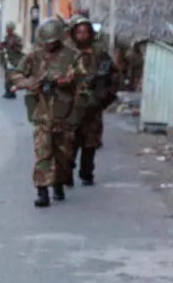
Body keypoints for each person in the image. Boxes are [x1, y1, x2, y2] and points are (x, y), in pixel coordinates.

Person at [12, 17, 85, 207]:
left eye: (52, 42)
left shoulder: (72, 55)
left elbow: (82, 76)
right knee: (42, 152)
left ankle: (58, 184)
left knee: (63, 154)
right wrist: (30, 83)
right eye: (46, 43)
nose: (49, 46)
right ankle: (42, 191)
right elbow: (17, 75)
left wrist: (66, 80)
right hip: (42, 113)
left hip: (65, 112)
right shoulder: (34, 56)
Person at [66, 14, 120, 186]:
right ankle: (66, 174)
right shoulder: (66, 53)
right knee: (69, 143)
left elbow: (113, 75)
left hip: (92, 106)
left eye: (85, 32)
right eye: (79, 32)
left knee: (90, 142)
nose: (82, 35)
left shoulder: (99, 53)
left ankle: (86, 173)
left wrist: (104, 96)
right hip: (71, 106)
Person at [0, 22, 25, 99]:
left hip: (15, 61)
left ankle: (12, 92)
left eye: (8, 29)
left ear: (11, 29)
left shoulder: (17, 38)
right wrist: (1, 45)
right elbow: (4, 45)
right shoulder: (7, 37)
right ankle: (8, 92)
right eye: (6, 29)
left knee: (12, 78)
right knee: (7, 77)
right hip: (8, 60)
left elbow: (20, 48)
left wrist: (14, 46)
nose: (7, 30)